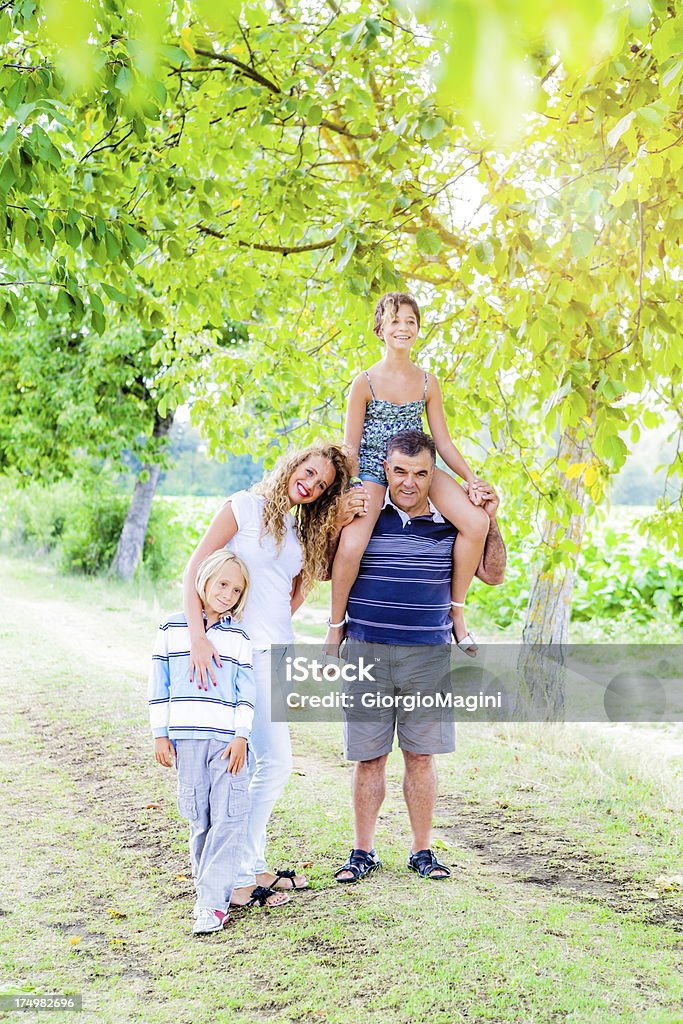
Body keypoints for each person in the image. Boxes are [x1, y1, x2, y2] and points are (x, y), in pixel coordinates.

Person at [185, 442, 362, 908]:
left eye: (322, 484)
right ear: (293, 465)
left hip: (276, 653)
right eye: (309, 472)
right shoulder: (243, 507)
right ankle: (239, 875)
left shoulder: (299, 530)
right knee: (272, 763)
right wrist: (199, 637)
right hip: (242, 656)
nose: (311, 484)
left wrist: (337, 524)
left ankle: (253, 864)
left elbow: (293, 593)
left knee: (262, 764)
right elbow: (194, 570)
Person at [333, 429, 506, 883]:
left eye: (421, 473)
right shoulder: (365, 517)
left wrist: (491, 518)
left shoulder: (453, 520)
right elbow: (324, 566)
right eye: (399, 472)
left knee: (421, 757)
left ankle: (422, 851)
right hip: (367, 651)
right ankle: (362, 851)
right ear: (385, 469)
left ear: (434, 474)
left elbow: (494, 574)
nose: (409, 483)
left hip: (428, 654)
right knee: (368, 758)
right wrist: (335, 519)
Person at [325, 292, 492, 658]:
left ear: (418, 329)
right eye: (395, 320)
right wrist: (351, 489)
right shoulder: (364, 382)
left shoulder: (428, 382)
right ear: (380, 328)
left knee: (476, 522)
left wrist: (470, 479)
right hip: (371, 467)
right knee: (352, 545)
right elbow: (350, 447)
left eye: (411, 321)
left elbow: (443, 442)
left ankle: (457, 614)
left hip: (418, 466)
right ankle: (336, 627)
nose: (403, 327)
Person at [149, 550, 255, 934]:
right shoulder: (172, 629)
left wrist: (242, 736)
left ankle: (212, 905)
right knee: (200, 819)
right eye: (222, 584)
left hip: (227, 743)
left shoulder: (239, 638)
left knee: (229, 817)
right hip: (186, 740)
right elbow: (158, 687)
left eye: (236, 589)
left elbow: (247, 692)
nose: (228, 593)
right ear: (204, 582)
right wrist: (160, 734)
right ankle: (205, 890)